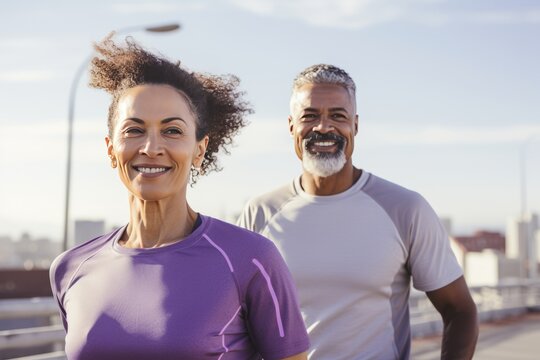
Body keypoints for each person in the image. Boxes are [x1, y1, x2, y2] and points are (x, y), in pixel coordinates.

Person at [49, 36, 309, 360]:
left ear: (199, 150)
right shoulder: (70, 269)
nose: (151, 147)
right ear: (110, 149)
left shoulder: (252, 260)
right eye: (134, 130)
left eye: (172, 131)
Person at [237, 64, 478, 359]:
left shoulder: (405, 208)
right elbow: (237, 321)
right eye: (310, 116)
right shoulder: (259, 212)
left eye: (338, 116)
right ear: (291, 127)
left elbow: (460, 311)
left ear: (355, 125)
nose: (323, 127)